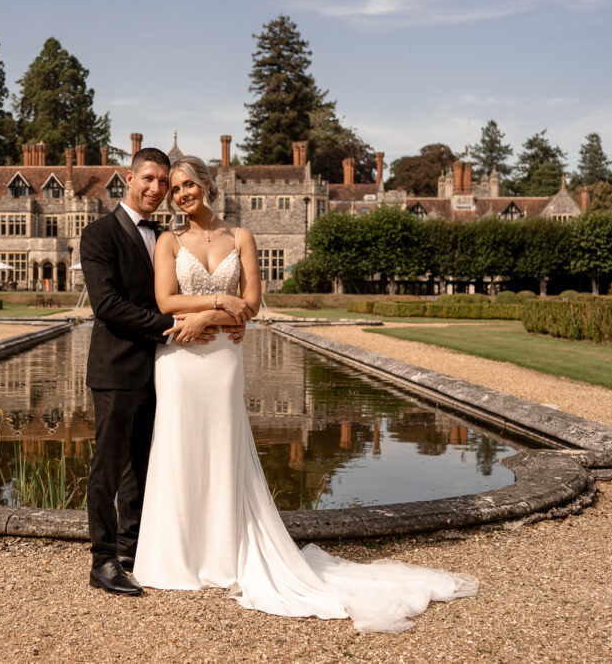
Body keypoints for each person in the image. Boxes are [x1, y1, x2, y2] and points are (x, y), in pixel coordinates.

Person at [133, 156, 478, 634]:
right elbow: (167, 303)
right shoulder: (168, 240)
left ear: (208, 185)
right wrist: (219, 304)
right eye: (175, 189)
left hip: (221, 361)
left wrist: (211, 317)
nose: (182, 194)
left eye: (189, 184)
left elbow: (252, 304)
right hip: (181, 364)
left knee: (221, 450)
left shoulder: (242, 238)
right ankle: (176, 558)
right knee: (177, 450)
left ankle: (221, 555)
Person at [78, 148, 249, 597]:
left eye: (165, 184)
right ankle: (103, 560)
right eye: (150, 180)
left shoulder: (166, 234)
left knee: (144, 467)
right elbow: (108, 306)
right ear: (128, 178)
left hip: (167, 369)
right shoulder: (99, 233)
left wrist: (225, 318)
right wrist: (180, 324)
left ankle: (134, 553)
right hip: (119, 366)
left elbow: (194, 292)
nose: (157, 190)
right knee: (109, 467)